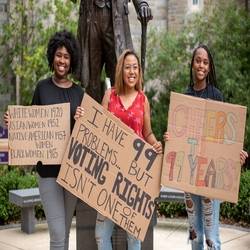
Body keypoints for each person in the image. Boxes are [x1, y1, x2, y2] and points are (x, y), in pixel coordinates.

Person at [5, 30, 85, 250]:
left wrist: (81, 121)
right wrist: (15, 122)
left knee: (63, 234)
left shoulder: (79, 93)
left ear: (72, 61)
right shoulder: (42, 88)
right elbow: (31, 125)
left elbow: (85, 137)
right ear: (52, 57)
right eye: (59, 55)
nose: (62, 60)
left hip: (71, 175)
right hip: (48, 173)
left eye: (67, 57)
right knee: (58, 233)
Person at [164, 44, 248, 250]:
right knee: (195, 234)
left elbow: (225, 138)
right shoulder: (185, 98)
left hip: (211, 175)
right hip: (190, 175)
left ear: (209, 67)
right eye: (197, 60)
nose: (201, 65)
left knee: (212, 236)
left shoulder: (217, 96)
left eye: (205, 62)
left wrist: (235, 152)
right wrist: (170, 138)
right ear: (192, 64)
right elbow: (179, 134)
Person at [95, 49, 162, 250]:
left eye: (135, 67)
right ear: (120, 71)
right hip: (110, 173)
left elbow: (147, 133)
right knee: (101, 234)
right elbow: (97, 126)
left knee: (134, 236)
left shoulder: (143, 100)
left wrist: (155, 144)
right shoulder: (110, 96)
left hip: (134, 176)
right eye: (127, 67)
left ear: (139, 72)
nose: (132, 71)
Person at [71, 0, 153, 103]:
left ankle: (120, 114)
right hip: (90, 17)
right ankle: (92, 115)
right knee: (91, 79)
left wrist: (142, 5)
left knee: (119, 74)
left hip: (116, 19)